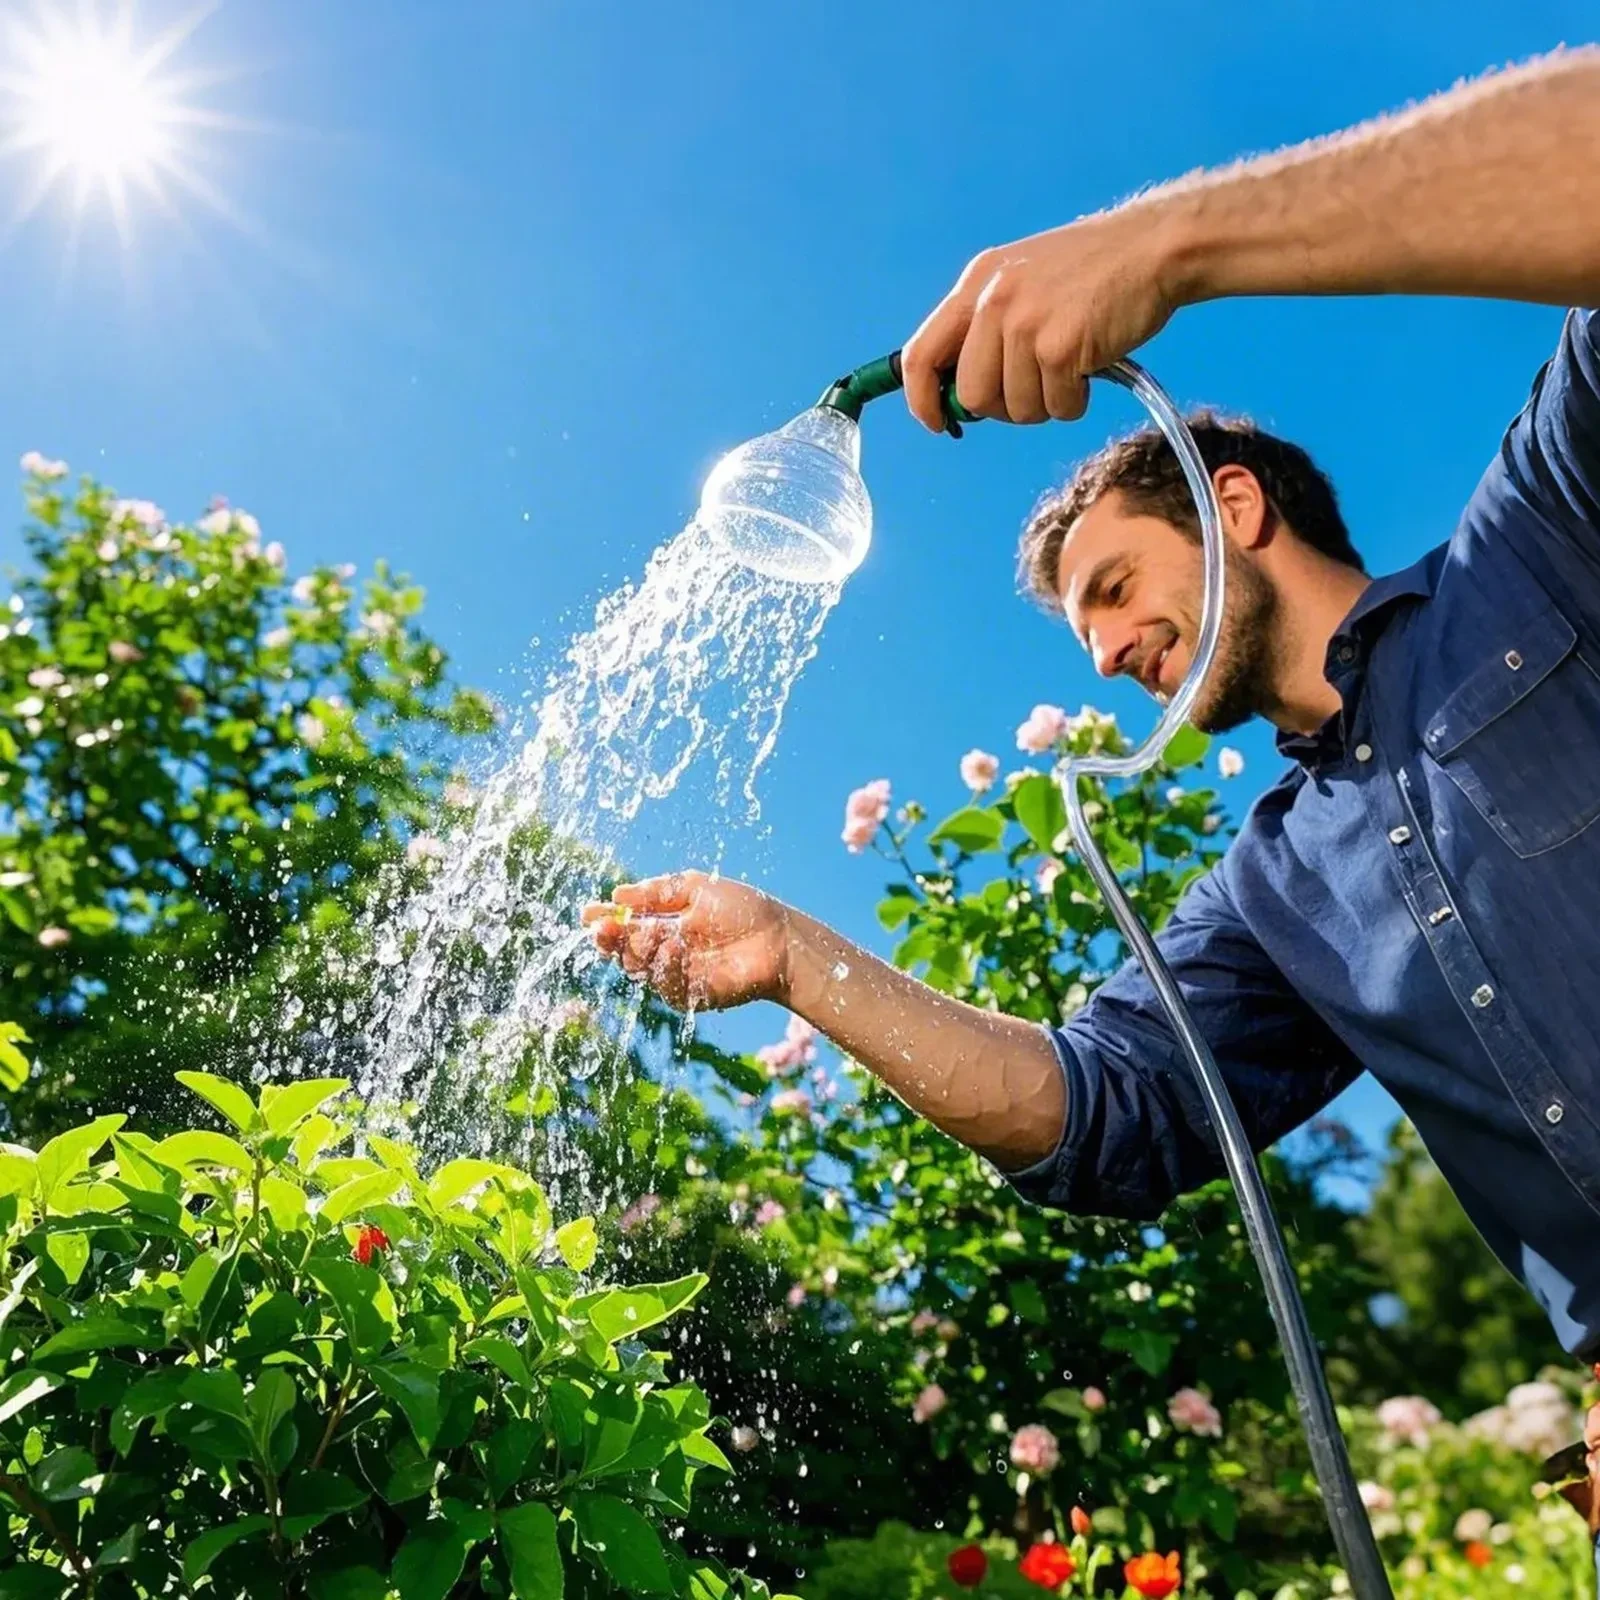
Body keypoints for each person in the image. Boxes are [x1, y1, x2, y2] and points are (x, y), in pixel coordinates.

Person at [586, 44, 1600, 1565]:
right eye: (1088, 638)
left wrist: (1166, 246)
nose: (1114, 655)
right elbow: (1100, 1117)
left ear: (1233, 504)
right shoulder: (1277, 896)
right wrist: (798, 958)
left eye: (1118, 589)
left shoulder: (1543, 547)